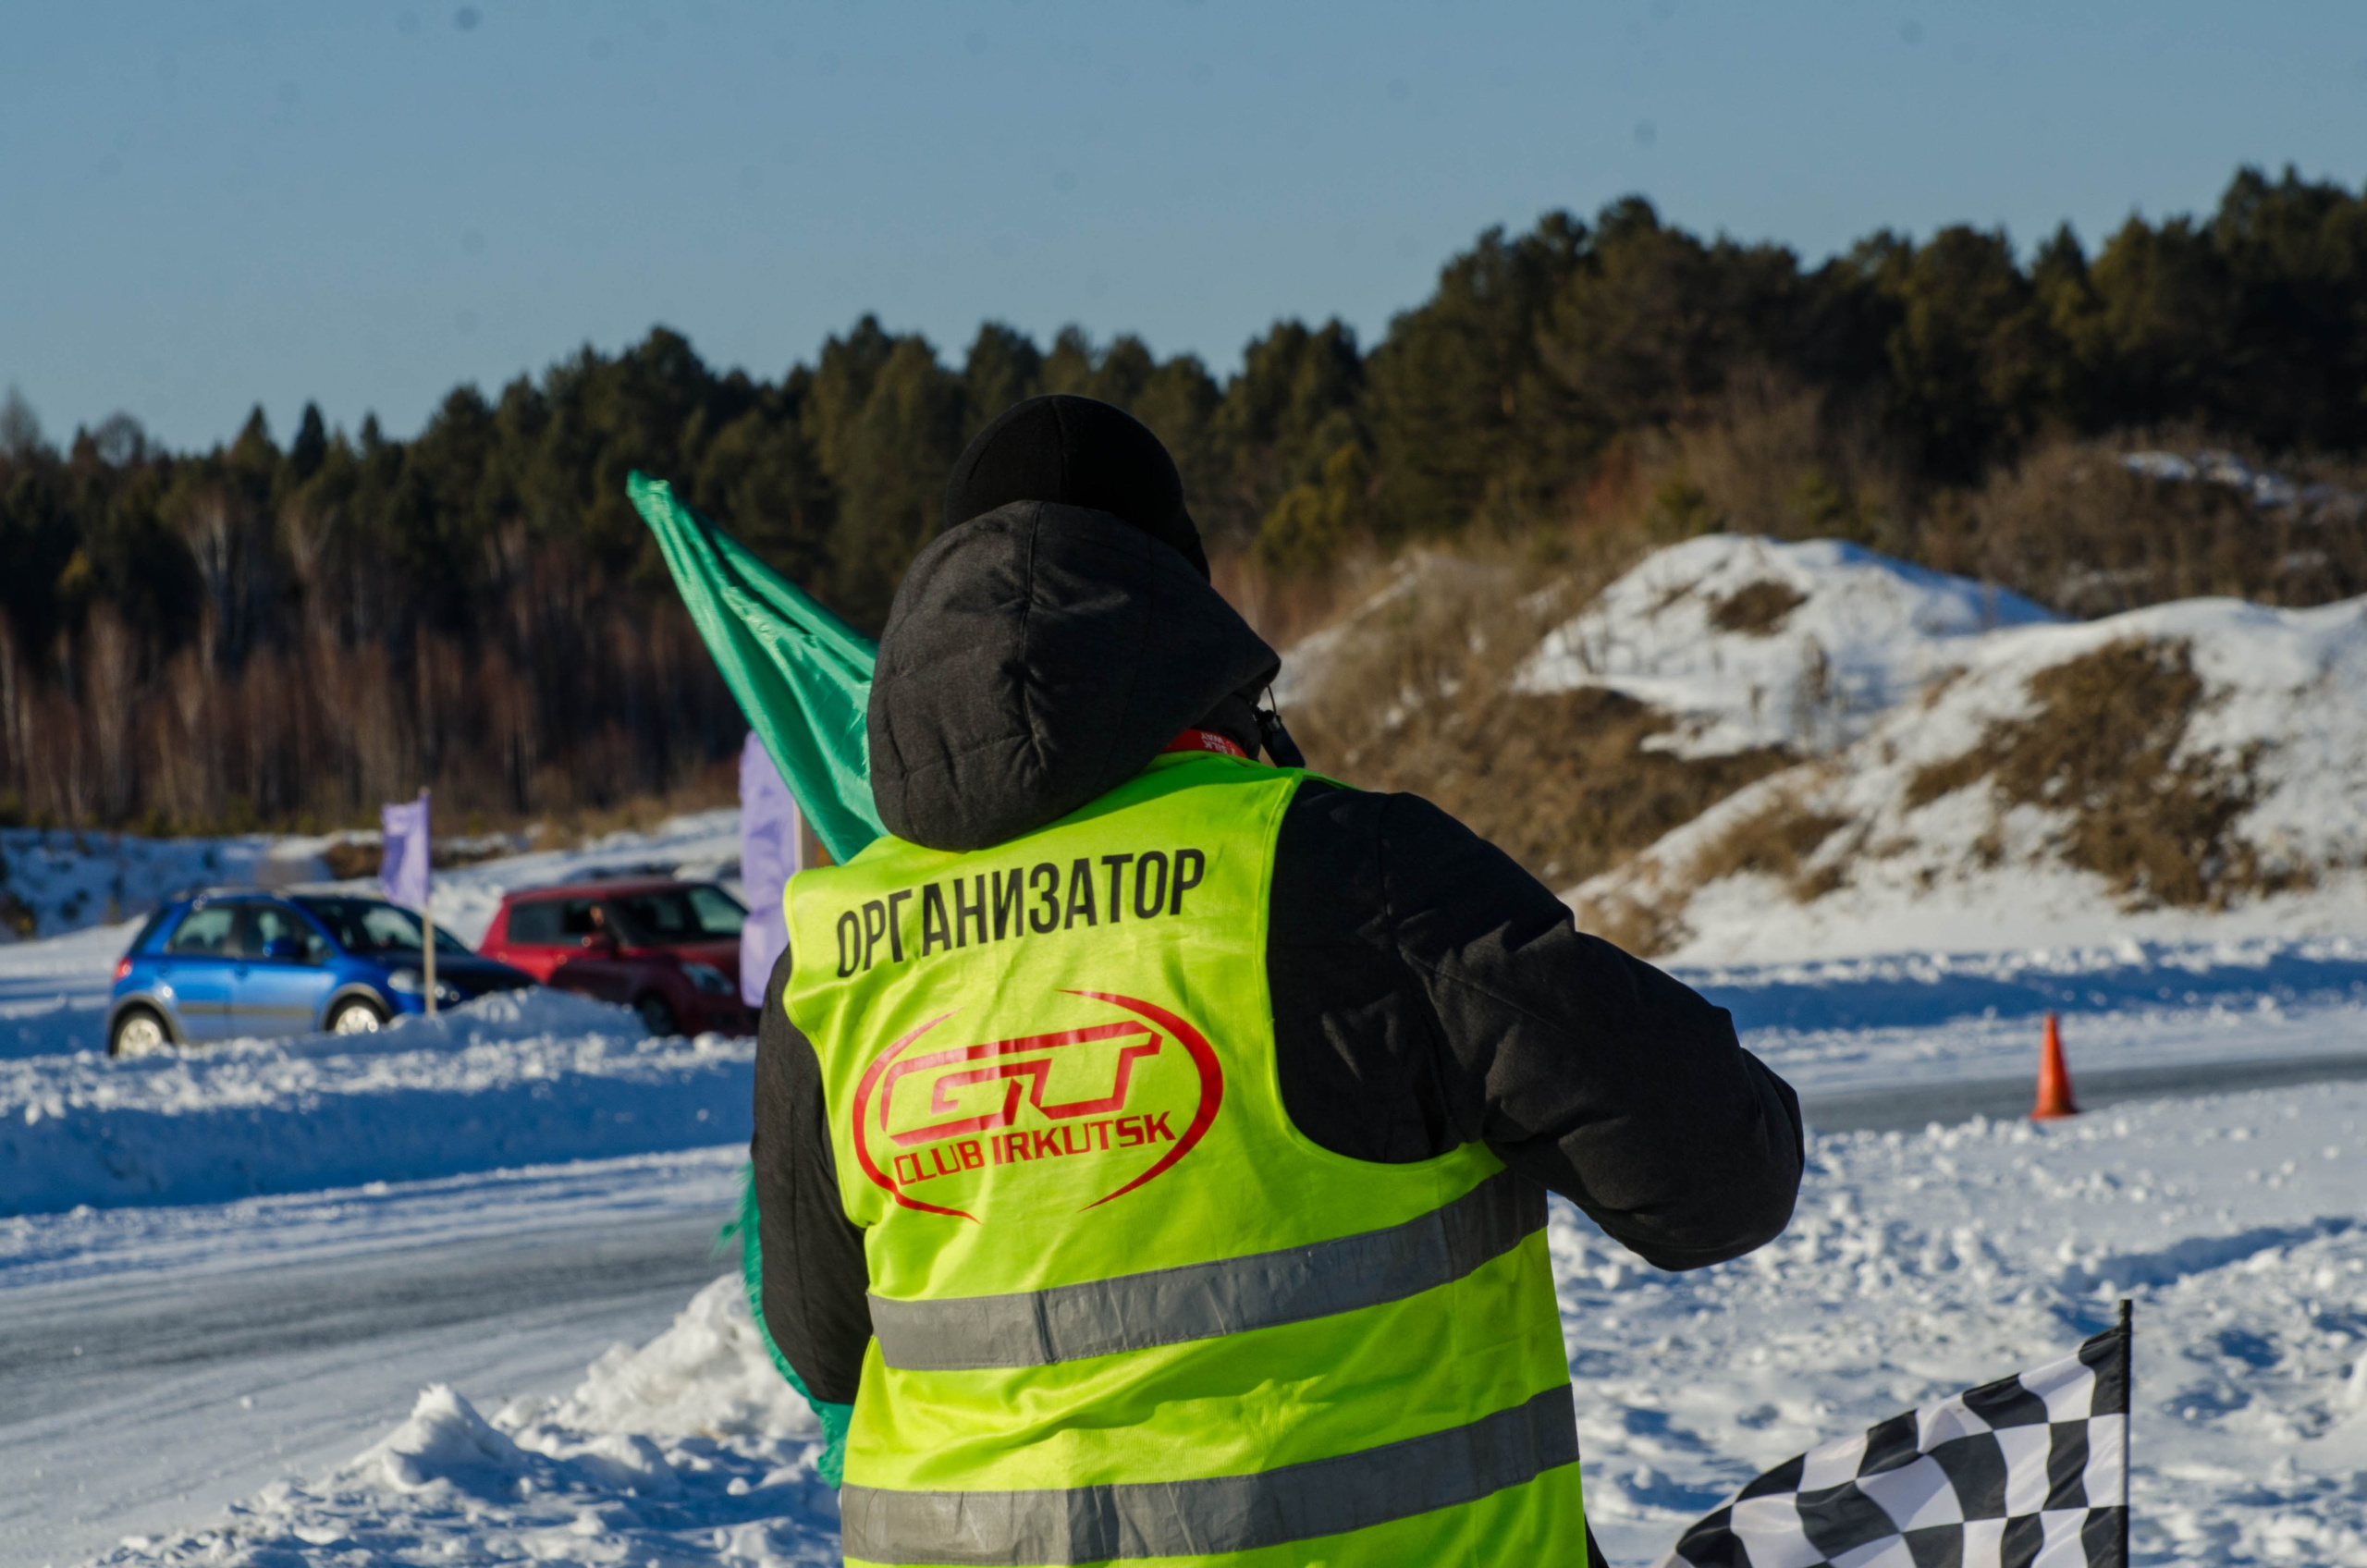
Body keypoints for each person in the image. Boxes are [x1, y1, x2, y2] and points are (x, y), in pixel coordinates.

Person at [751, 394, 1803, 1566]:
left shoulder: (835, 950)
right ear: (1181, 613)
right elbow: (1720, 1175)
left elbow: (822, 1341)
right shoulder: (1346, 873)